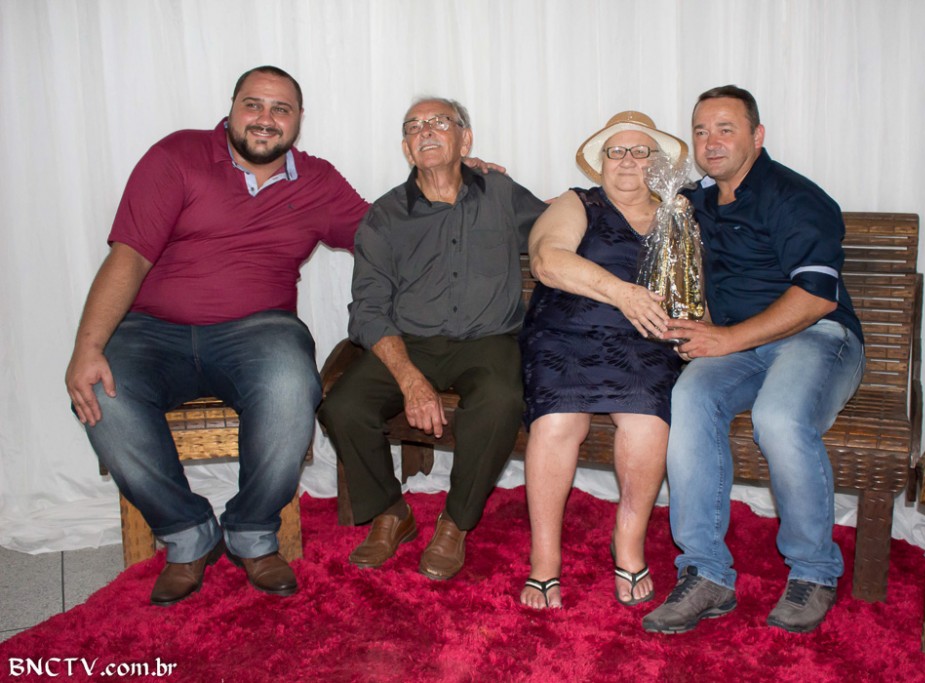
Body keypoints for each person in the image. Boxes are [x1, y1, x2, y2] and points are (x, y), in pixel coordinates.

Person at [64, 65, 372, 606]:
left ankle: (252, 532)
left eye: (281, 109)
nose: (266, 118)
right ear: (231, 108)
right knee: (101, 392)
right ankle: (187, 534)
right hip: (151, 332)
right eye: (254, 104)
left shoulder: (318, 181)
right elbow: (129, 256)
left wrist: (455, 182)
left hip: (259, 332)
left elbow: (387, 234)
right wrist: (87, 348)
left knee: (290, 385)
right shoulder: (177, 156)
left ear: (299, 120)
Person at [642, 86, 865, 634]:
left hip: (817, 336)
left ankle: (813, 570)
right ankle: (706, 572)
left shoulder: (795, 197)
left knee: (779, 417)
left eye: (726, 129)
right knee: (689, 397)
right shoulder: (694, 201)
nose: (711, 142)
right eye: (701, 131)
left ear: (757, 136)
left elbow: (817, 296)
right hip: (742, 347)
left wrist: (726, 339)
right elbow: (628, 204)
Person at [318, 97, 548, 581]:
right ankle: (390, 512)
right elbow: (367, 309)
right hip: (410, 342)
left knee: (502, 400)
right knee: (342, 406)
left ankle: (455, 521)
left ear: (465, 139)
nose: (425, 130)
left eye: (440, 122)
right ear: (406, 148)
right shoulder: (385, 216)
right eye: (414, 126)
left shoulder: (501, 194)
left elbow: (557, 223)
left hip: (487, 340)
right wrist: (409, 378)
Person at [518, 112, 686, 609]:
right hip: (565, 333)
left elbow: (693, 289)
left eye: (640, 151)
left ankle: (628, 544)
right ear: (602, 163)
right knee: (557, 423)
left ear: (657, 163)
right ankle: (544, 559)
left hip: (643, 339)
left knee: (647, 422)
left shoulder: (678, 215)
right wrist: (623, 293)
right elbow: (547, 259)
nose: (628, 160)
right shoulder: (578, 202)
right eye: (617, 151)